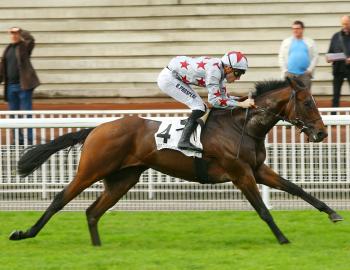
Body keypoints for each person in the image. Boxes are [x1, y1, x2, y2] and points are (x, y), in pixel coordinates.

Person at [157, 51, 255, 152]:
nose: (238, 78)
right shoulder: (214, 72)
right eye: (237, 73)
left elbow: (224, 97)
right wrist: (241, 104)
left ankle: (186, 138)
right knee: (200, 107)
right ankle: (184, 140)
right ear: (228, 68)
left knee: (201, 106)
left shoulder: (219, 70)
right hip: (169, 79)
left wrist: (242, 100)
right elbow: (214, 101)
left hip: (175, 75)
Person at [0, 27, 40, 144]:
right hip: (10, 87)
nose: (14, 35)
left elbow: (31, 40)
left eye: (16, 33)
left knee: (27, 114)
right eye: (12, 33)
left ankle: (30, 141)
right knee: (13, 116)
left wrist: (22, 31)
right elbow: (3, 69)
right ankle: (18, 141)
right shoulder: (7, 49)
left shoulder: (24, 46)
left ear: (19, 34)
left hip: (24, 87)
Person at [278, 20, 318, 90]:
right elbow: (281, 57)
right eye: (293, 29)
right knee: (289, 96)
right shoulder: (286, 42)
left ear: (302, 29)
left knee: (305, 97)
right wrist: (285, 71)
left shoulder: (310, 42)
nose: (295, 31)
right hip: (290, 74)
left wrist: (309, 70)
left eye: (297, 29)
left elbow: (315, 57)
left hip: (305, 75)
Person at [327, 15, 350, 108]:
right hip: (338, 69)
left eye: (346, 23)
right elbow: (329, 52)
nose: (344, 26)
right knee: (335, 96)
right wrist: (329, 58)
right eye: (343, 24)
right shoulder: (336, 36)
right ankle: (333, 117)